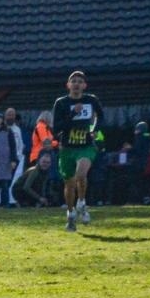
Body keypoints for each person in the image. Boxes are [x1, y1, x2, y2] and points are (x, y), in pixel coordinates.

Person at [51, 70, 104, 231]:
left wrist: (95, 129)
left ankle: (81, 202)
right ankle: (70, 213)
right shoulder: (61, 103)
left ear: (84, 86)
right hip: (67, 147)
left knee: (81, 174)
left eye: (80, 81)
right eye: (73, 81)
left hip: (86, 146)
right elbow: (57, 128)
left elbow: (101, 117)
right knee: (69, 183)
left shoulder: (91, 100)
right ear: (68, 85)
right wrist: (74, 113)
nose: (76, 84)